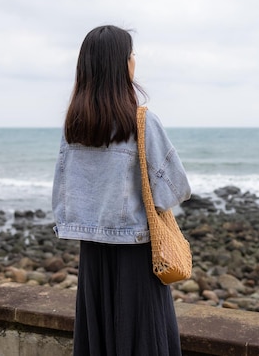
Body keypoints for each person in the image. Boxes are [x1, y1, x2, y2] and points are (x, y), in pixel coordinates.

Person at [52, 25, 191, 356]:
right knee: (143, 339)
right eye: (131, 56)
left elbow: (63, 192)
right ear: (123, 65)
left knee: (97, 340)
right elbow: (175, 190)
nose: (134, 62)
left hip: (93, 252)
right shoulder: (142, 121)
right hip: (137, 252)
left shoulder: (74, 126)